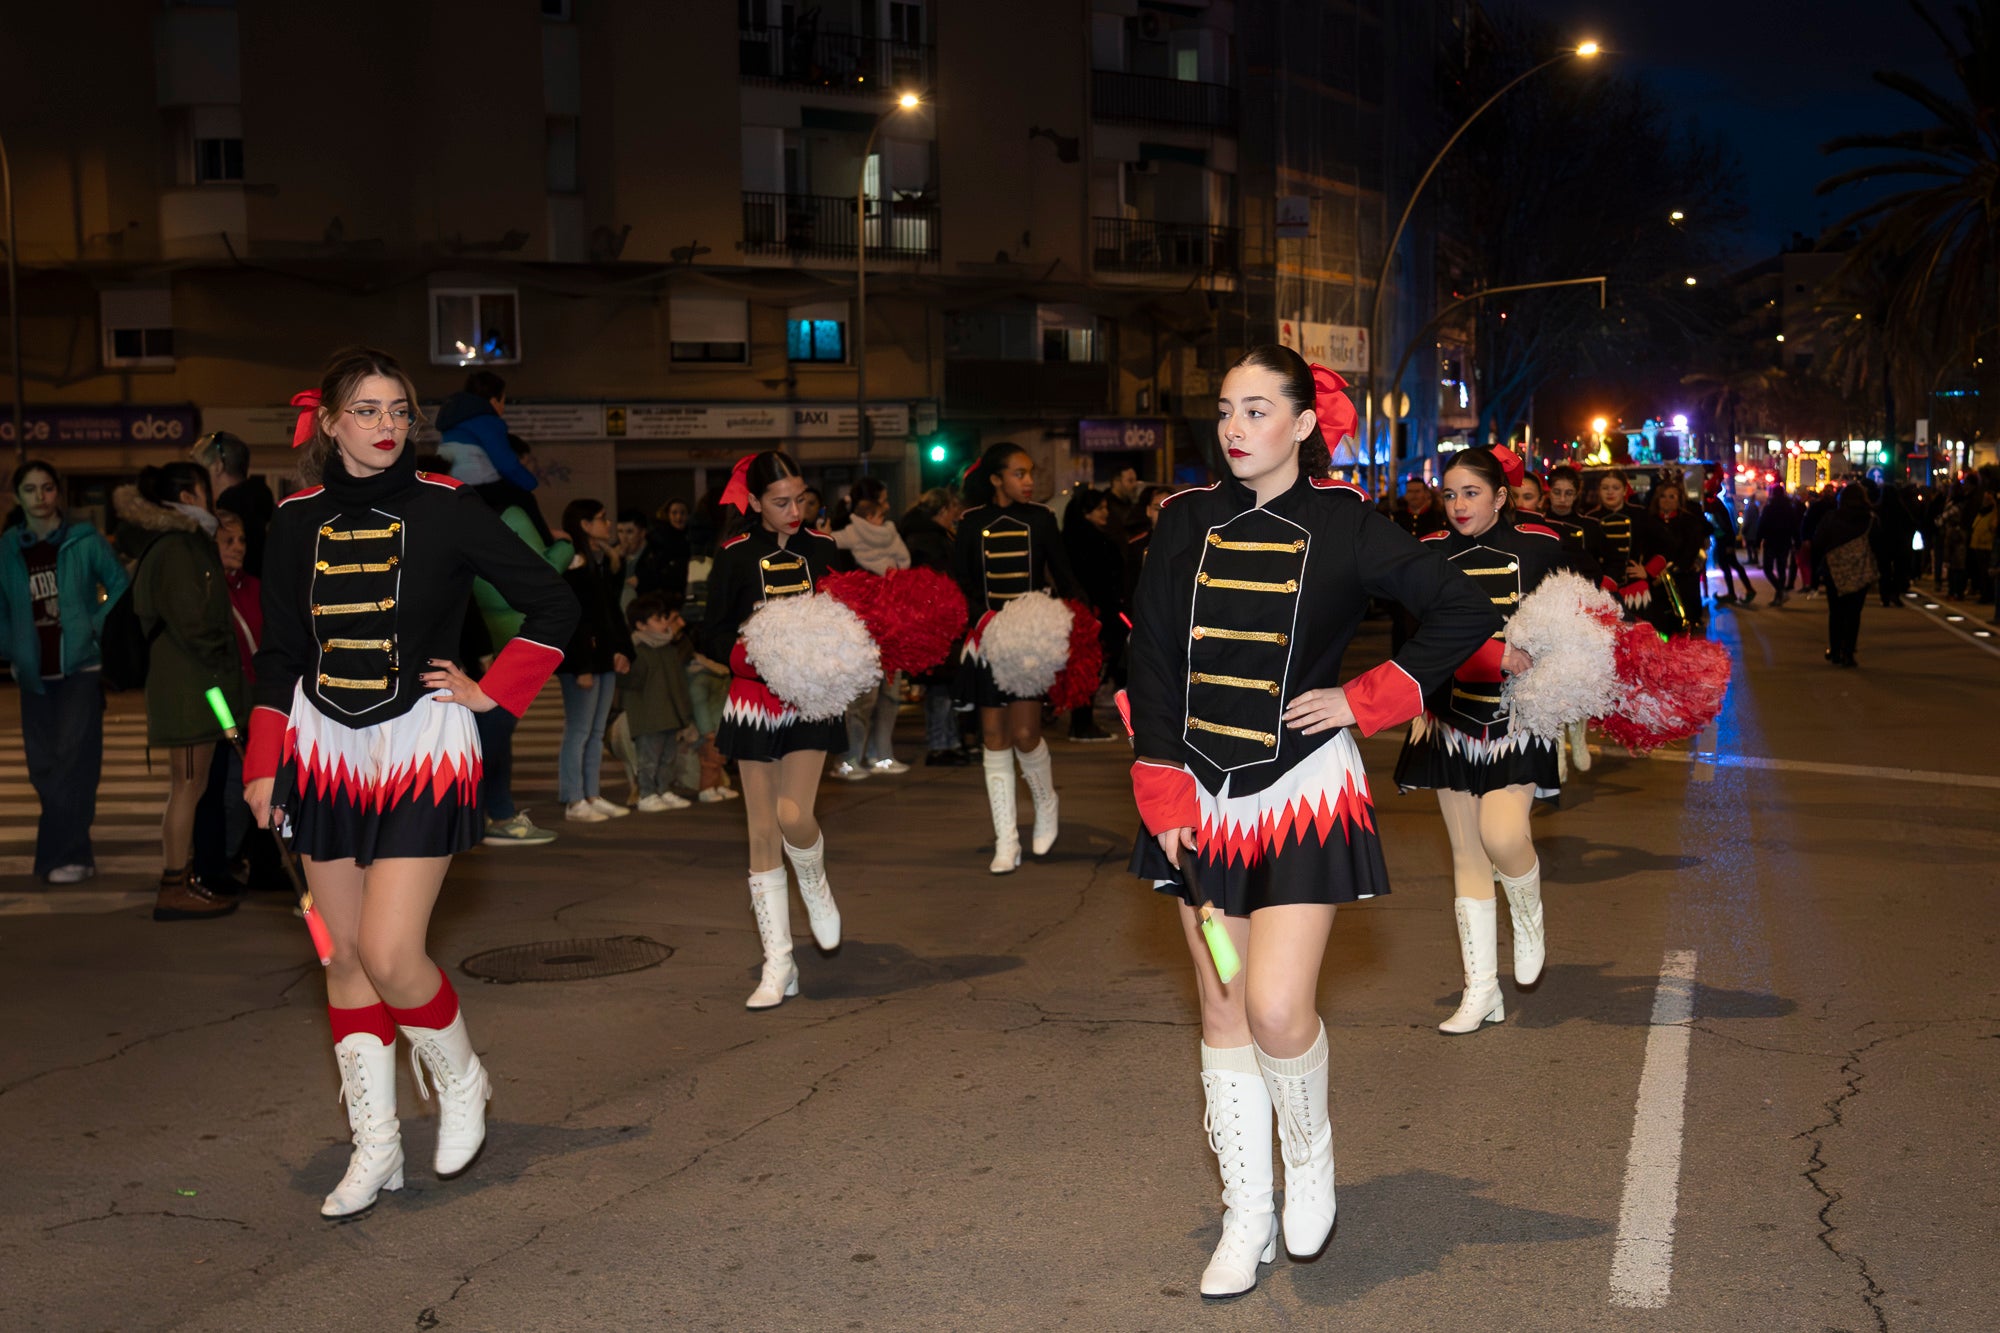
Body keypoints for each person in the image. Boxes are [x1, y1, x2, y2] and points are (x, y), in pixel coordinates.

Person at [1124, 344, 1497, 1297]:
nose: (1235, 427)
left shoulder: (1346, 523)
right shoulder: (1184, 520)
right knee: (1222, 1002)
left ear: (1300, 425)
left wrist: (1368, 698)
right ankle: (1245, 1213)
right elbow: (1153, 656)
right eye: (1225, 409)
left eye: (1257, 410)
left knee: (1277, 1008)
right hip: (1195, 794)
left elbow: (1461, 609)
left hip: (1298, 793)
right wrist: (1162, 787)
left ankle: (1311, 1156)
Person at [244, 346, 577, 1219]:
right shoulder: (293, 521)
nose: (388, 425)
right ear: (329, 423)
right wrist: (264, 760)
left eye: (399, 410)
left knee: (392, 952)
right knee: (345, 956)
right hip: (323, 749)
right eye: (367, 410)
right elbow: (279, 652)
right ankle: (377, 1145)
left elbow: (555, 601)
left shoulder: (448, 506)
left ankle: (462, 1079)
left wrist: (492, 691)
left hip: (423, 744)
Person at [1392, 447, 1565, 1033]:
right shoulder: (1428, 554)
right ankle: (1481, 990)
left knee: (1503, 836)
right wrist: (1423, 693)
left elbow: (1578, 625)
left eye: (1471, 493)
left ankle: (1529, 917)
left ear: (1500, 497)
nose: (1459, 505)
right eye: (1450, 494)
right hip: (1450, 719)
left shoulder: (1540, 550)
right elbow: (1416, 638)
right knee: (1466, 854)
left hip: (1518, 717)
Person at [701, 450, 846, 1009]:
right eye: (781, 502)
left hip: (812, 699)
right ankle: (779, 963)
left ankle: (815, 882)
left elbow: (845, 619)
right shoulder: (734, 553)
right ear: (754, 502)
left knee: (793, 814)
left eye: (800, 499)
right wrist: (748, 656)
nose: (794, 511)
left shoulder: (825, 548)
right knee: (761, 831)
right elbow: (711, 631)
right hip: (754, 698)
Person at [116, 460, 247, 921]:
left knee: (192, 785)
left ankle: (183, 878)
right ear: (189, 496)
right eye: (205, 489)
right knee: (188, 786)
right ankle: (174, 884)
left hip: (196, 683)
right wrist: (222, 660)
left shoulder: (180, 541)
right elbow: (194, 621)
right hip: (193, 684)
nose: (213, 497)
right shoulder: (177, 546)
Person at [954, 443, 1082, 874]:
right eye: (1019, 474)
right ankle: (1006, 841)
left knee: (1026, 733)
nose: (1028, 482)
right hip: (987, 637)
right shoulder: (971, 522)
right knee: (993, 736)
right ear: (996, 479)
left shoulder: (1041, 519)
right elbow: (961, 582)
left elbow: (1064, 574)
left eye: (1030, 473)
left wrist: (1082, 620)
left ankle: (1046, 803)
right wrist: (982, 618)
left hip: (1030, 642)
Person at [0, 460, 128, 884]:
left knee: (72, 763)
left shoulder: (84, 540)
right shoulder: (8, 548)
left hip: (80, 668)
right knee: (43, 768)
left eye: (47, 488)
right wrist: (11, 647)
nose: (40, 497)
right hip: (33, 673)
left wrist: (95, 624)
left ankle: (62, 856)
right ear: (18, 496)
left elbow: (120, 585)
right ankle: (72, 853)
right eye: (30, 489)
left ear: (58, 492)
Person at [548, 499, 635, 822]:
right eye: (601, 518)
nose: (608, 524)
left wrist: (621, 650)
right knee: (580, 729)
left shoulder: (603, 560)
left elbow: (609, 613)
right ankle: (574, 799)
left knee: (596, 731)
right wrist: (582, 665)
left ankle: (591, 794)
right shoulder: (572, 560)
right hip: (581, 658)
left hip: (603, 655)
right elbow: (573, 618)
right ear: (584, 524)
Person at [828, 477, 913, 779]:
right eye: (883, 502)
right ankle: (850, 758)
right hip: (861, 627)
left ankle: (880, 754)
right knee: (864, 697)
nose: (887, 508)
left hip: (890, 624)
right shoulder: (846, 539)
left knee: (889, 693)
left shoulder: (890, 535)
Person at [435, 370, 553, 544]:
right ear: (493, 401)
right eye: (503, 401)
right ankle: (546, 547)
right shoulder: (486, 420)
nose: (503, 408)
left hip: (450, 484)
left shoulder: (453, 421)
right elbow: (506, 463)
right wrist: (530, 483)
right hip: (477, 484)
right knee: (525, 499)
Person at [900, 486, 966, 767]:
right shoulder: (928, 539)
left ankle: (948, 742)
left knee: (944, 684)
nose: (955, 516)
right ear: (942, 511)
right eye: (952, 510)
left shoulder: (925, 535)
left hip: (936, 619)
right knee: (940, 685)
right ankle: (941, 744)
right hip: (935, 621)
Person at [619, 595, 696, 811]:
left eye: (663, 618)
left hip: (670, 714)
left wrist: (685, 714)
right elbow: (630, 683)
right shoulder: (635, 650)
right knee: (648, 759)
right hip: (648, 716)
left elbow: (679, 684)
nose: (664, 623)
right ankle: (646, 794)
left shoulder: (669, 649)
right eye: (657, 619)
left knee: (668, 758)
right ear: (640, 625)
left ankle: (664, 790)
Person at [1061, 485, 1123, 743]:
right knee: (1088, 668)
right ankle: (1082, 724)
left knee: (1083, 669)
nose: (1105, 513)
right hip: (1092, 614)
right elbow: (1103, 581)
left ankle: (1082, 722)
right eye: (1100, 508)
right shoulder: (1093, 541)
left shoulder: (1073, 538)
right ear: (1086, 512)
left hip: (1081, 612)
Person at [192, 431, 275, 576]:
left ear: (218, 466)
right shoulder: (262, 504)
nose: (195, 480)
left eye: (199, 470)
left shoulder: (226, 513)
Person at [1815, 485, 1876, 667]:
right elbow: (1879, 545)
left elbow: (1818, 541)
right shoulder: (1870, 520)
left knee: (1836, 612)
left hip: (1835, 570)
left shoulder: (1831, 518)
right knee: (1854, 613)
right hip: (1860, 572)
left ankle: (1835, 650)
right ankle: (1848, 652)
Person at [1645, 475, 1709, 633]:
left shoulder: (1689, 521)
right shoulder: (1649, 521)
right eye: (1663, 496)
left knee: (1684, 620)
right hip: (1655, 579)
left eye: (1671, 497)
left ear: (1679, 500)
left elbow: (1690, 549)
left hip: (1682, 577)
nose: (1666, 500)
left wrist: (1673, 569)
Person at [635, 499, 692, 611]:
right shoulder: (658, 538)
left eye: (682, 513)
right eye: (674, 513)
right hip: (663, 591)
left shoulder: (692, 537)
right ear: (668, 515)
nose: (678, 517)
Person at [1704, 483, 1753, 605]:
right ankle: (1741, 591)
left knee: (1729, 564)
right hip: (1724, 539)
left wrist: (1729, 544)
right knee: (1729, 564)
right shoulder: (1717, 503)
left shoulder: (1715, 504)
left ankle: (1741, 591)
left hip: (1724, 540)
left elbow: (1724, 525)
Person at [1760, 483, 1798, 606]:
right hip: (1784, 542)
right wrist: (1797, 541)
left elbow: (1762, 524)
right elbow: (1794, 526)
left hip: (1770, 542)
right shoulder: (1789, 508)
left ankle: (1780, 592)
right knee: (1781, 569)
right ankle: (1780, 593)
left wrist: (1758, 540)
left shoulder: (1769, 507)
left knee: (1768, 568)